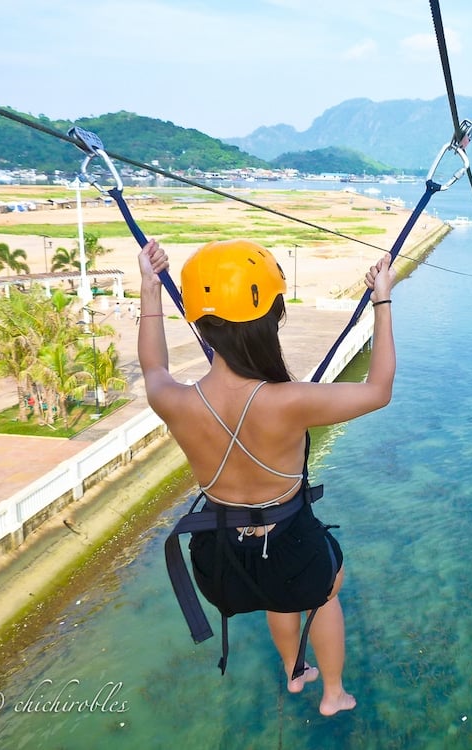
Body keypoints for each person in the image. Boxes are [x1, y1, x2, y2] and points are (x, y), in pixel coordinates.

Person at [137, 238, 395, 716]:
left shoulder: (173, 401)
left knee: (281, 597)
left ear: (196, 320)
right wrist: (382, 299)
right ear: (272, 317)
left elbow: (153, 365)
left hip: (220, 556)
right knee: (322, 592)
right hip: (291, 541)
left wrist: (150, 289)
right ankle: (333, 694)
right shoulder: (291, 400)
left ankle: (294, 670)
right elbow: (378, 390)